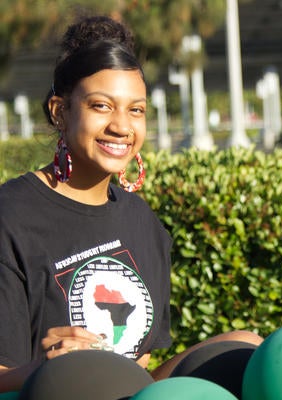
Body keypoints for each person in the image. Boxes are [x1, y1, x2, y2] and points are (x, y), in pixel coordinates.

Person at [0, 16, 262, 394]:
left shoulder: (141, 221)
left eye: (135, 110)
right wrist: (44, 368)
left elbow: (139, 367)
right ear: (60, 111)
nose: (122, 126)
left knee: (246, 343)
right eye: (102, 106)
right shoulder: (11, 217)